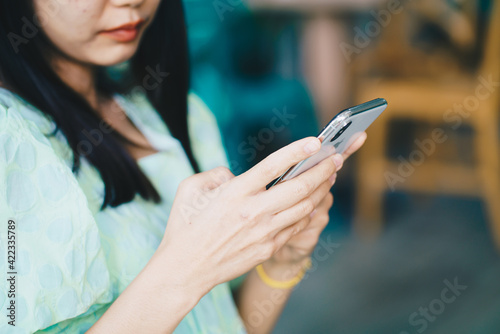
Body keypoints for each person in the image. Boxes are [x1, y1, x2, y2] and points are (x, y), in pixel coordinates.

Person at [0, 0, 366, 333]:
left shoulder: (183, 116)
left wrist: (284, 260)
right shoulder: (11, 141)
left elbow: (225, 323)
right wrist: (186, 270)